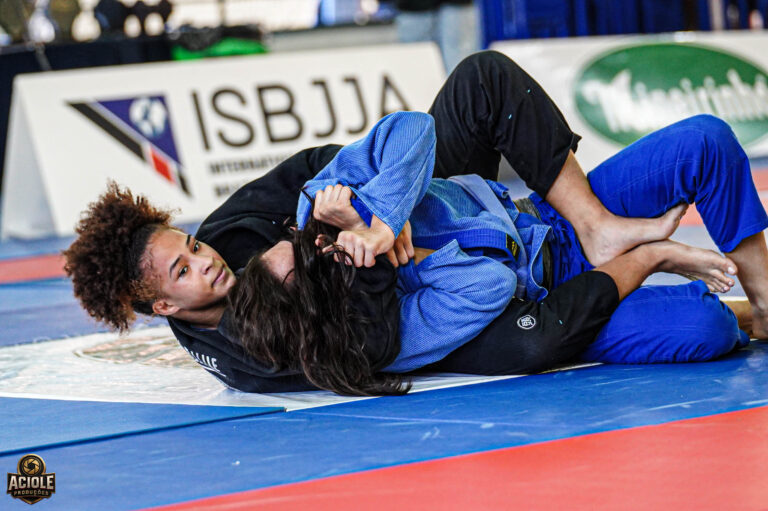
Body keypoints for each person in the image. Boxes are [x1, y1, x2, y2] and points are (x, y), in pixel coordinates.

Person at [62, 51, 748, 393]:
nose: (208, 257)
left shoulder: (246, 227)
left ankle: (605, 230)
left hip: (460, 215)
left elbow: (339, 161)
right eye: (185, 269)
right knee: (688, 329)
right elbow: (387, 343)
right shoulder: (254, 353)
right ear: (162, 305)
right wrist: (376, 266)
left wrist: (378, 211)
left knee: (483, 81)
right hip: (453, 306)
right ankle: (708, 298)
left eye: (190, 244)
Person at [225, 109, 765, 395]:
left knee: (706, 142)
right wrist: (398, 259)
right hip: (547, 296)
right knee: (705, 329)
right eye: (303, 260)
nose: (309, 245)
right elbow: (492, 286)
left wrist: (380, 216)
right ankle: (662, 261)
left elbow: (414, 128)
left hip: (547, 220)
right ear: (317, 297)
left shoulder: (321, 215)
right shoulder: (380, 330)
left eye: (294, 245)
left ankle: (763, 303)